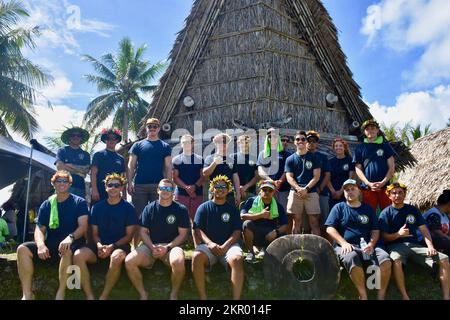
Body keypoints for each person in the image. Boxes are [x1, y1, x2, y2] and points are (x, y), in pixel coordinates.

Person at [16, 170, 89, 300]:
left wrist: (70, 238)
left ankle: (61, 293)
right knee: (22, 249)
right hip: (52, 243)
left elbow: (83, 227)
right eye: (58, 181)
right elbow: (39, 229)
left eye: (65, 181)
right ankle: (27, 294)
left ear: (70, 184)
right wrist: (40, 245)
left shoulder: (80, 202)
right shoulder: (47, 204)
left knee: (66, 250)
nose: (62, 184)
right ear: (53, 183)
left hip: (73, 242)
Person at [379, 182, 450, 300]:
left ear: (405, 194)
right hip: (395, 246)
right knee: (396, 260)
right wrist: (398, 234)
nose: (397, 195)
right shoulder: (385, 213)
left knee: (444, 259)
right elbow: (384, 237)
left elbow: (424, 230)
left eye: (400, 192)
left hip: (415, 245)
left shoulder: (413, 210)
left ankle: (446, 296)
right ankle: (405, 296)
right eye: (394, 193)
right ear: (389, 195)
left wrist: (430, 246)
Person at [73, 173, 137, 300]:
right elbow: (94, 234)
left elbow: (129, 236)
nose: (113, 188)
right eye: (110, 185)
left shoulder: (129, 208)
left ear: (121, 188)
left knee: (116, 257)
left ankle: (104, 296)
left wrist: (111, 247)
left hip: (119, 245)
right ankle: (89, 295)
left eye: (116, 185)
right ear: (106, 188)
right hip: (99, 245)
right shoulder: (97, 208)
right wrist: (99, 246)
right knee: (77, 255)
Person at [325, 179, 392, 300]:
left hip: (369, 246)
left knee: (385, 259)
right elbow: (330, 229)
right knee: (351, 257)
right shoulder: (338, 207)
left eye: (352, 189)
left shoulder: (368, 209)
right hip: (346, 246)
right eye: (346, 190)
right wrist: (344, 243)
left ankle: (380, 296)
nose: (349, 192)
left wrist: (371, 244)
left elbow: (375, 230)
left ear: (359, 191)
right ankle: (363, 295)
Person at [125, 179, 190, 300]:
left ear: (173, 191)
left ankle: (174, 294)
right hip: (151, 246)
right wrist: (151, 247)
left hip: (172, 247)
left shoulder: (181, 209)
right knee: (129, 261)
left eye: (169, 189)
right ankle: (143, 293)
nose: (166, 191)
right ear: (158, 190)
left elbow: (183, 235)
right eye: (163, 188)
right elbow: (143, 232)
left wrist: (168, 247)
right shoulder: (149, 208)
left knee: (179, 262)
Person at [192, 175, 244, 300]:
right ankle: (203, 297)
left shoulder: (233, 209)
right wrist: (210, 243)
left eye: (223, 187)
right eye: (217, 186)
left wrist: (226, 245)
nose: (220, 189)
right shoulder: (203, 208)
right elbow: (197, 229)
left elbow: (237, 231)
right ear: (212, 189)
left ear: (228, 190)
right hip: (209, 246)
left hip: (229, 246)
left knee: (237, 259)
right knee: (196, 257)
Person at [127, 118, 172, 218]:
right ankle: (140, 234)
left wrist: (169, 186)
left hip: (158, 186)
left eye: (155, 126)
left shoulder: (165, 146)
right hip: (139, 186)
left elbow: (168, 167)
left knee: (157, 215)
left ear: (159, 128)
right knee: (139, 216)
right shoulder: (137, 145)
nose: (152, 128)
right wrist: (129, 183)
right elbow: (131, 165)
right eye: (149, 126)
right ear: (146, 128)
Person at [240, 180, 288, 263]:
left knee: (283, 234)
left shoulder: (278, 206)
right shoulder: (251, 201)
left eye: (270, 190)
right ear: (259, 190)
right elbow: (243, 216)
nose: (267, 192)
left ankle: (271, 254)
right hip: (255, 234)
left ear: (274, 192)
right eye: (264, 189)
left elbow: (285, 225)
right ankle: (251, 253)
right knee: (246, 224)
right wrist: (260, 215)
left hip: (270, 235)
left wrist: (276, 232)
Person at [354, 119, 395, 213]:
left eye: (373, 128)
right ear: (364, 132)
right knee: (369, 215)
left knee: (388, 213)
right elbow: (358, 169)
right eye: (367, 129)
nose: (370, 130)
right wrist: (368, 183)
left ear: (377, 130)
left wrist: (383, 182)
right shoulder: (360, 148)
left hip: (385, 188)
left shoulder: (385, 146)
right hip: (367, 189)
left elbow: (392, 167)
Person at [285, 131, 321, 235]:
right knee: (296, 222)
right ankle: (295, 248)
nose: (300, 141)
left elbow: (316, 176)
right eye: (298, 139)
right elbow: (289, 177)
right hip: (295, 192)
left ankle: (316, 249)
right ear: (294, 142)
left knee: (314, 222)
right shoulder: (290, 159)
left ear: (306, 141)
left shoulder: (314, 157)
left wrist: (306, 189)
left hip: (311, 192)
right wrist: (298, 189)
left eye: (303, 139)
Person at [172, 134, 204, 244]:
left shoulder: (200, 159)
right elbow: (175, 177)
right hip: (181, 194)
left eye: (188, 142)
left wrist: (194, 187)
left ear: (193, 143)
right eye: (183, 142)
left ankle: (198, 245)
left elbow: (203, 176)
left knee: (196, 221)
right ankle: (179, 244)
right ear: (181, 144)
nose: (186, 144)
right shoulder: (176, 160)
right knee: (180, 220)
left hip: (197, 194)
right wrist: (187, 188)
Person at [257, 129, 292, 210]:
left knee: (283, 213)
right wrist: (270, 181)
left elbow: (287, 170)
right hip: (266, 189)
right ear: (267, 139)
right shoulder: (263, 154)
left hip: (283, 190)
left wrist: (279, 182)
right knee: (266, 213)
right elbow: (260, 171)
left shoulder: (286, 154)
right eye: (270, 137)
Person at [203, 133, 241, 207]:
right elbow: (205, 173)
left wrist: (238, 194)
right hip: (214, 193)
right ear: (216, 143)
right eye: (220, 141)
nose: (223, 143)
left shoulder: (231, 160)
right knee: (214, 216)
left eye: (225, 141)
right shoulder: (210, 158)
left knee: (229, 216)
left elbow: (235, 178)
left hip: (229, 194)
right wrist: (214, 163)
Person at [90, 128, 126, 204]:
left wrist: (124, 193)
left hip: (115, 192)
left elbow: (123, 177)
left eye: (114, 138)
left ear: (117, 140)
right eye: (108, 138)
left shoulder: (121, 158)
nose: (111, 140)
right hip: (99, 191)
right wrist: (94, 190)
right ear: (105, 140)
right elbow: (93, 174)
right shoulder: (98, 155)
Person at [306, 130, 331, 231]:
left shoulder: (323, 157)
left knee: (323, 221)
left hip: (321, 193)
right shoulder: (300, 156)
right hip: (305, 194)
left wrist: (320, 189)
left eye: (314, 141)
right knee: (306, 222)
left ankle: (324, 245)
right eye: (309, 140)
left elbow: (327, 174)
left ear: (317, 143)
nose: (311, 143)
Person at [56, 127, 91, 198]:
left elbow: (86, 170)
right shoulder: (62, 150)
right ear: (69, 137)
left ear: (81, 138)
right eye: (73, 135)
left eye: (78, 135)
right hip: (63, 185)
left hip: (80, 187)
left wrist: (69, 166)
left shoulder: (86, 154)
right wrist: (79, 172)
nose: (76, 137)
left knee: (78, 208)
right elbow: (60, 167)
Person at [327, 137, 355, 210]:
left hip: (347, 192)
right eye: (336, 146)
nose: (338, 147)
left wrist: (341, 191)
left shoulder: (350, 160)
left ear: (344, 147)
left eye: (340, 146)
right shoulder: (330, 161)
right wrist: (333, 191)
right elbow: (327, 178)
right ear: (333, 148)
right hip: (333, 194)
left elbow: (351, 177)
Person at [231, 134, 259, 204]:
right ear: (238, 143)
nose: (244, 144)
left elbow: (257, 176)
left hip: (250, 192)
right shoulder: (232, 157)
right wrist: (238, 188)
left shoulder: (254, 158)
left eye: (246, 142)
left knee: (249, 213)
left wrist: (246, 187)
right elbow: (230, 174)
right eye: (242, 142)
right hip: (234, 192)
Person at [422, 190, 450, 256]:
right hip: (426, 241)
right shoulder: (433, 214)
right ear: (449, 204)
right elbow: (437, 232)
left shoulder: (445, 215)